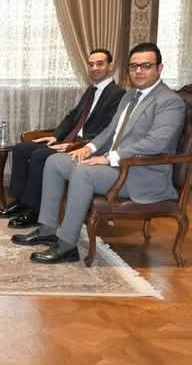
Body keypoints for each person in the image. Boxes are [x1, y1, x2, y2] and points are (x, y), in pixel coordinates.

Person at [12, 43, 186, 263]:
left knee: (83, 173)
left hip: (142, 175)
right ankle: (47, 229)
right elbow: (111, 130)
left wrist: (107, 157)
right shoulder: (130, 95)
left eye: (146, 66)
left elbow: (156, 143)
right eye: (133, 66)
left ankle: (67, 245)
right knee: (55, 162)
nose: (138, 71)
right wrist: (89, 148)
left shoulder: (169, 102)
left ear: (159, 68)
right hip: (117, 168)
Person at [0, 48, 125, 228]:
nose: (94, 68)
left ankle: (35, 210)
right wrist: (55, 136)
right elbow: (73, 116)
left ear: (110, 66)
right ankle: (21, 202)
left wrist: (76, 145)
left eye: (100, 64)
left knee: (40, 155)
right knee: (20, 149)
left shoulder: (117, 94)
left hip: (84, 147)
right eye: (91, 64)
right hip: (68, 141)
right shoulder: (92, 90)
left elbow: (108, 131)